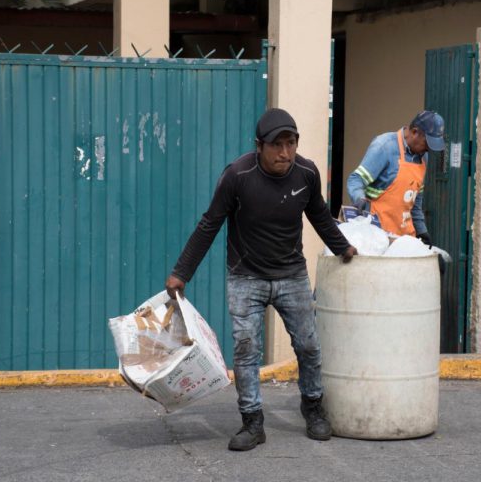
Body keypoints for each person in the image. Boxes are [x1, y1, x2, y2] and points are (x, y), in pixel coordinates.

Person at [165, 108, 358, 452]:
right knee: (246, 349)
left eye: (291, 143)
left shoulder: (306, 173)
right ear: (259, 145)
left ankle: (312, 407)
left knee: (309, 345)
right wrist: (182, 272)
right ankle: (252, 422)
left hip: (291, 274)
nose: (285, 153)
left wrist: (343, 247)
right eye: (277, 145)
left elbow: (319, 216)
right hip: (245, 276)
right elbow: (210, 224)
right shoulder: (238, 176)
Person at [346, 110, 445, 243]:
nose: (428, 149)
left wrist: (422, 231)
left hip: (404, 239)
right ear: (415, 132)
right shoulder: (385, 146)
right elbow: (356, 179)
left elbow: (415, 202)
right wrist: (359, 198)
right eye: (427, 143)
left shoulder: (423, 157)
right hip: (378, 237)